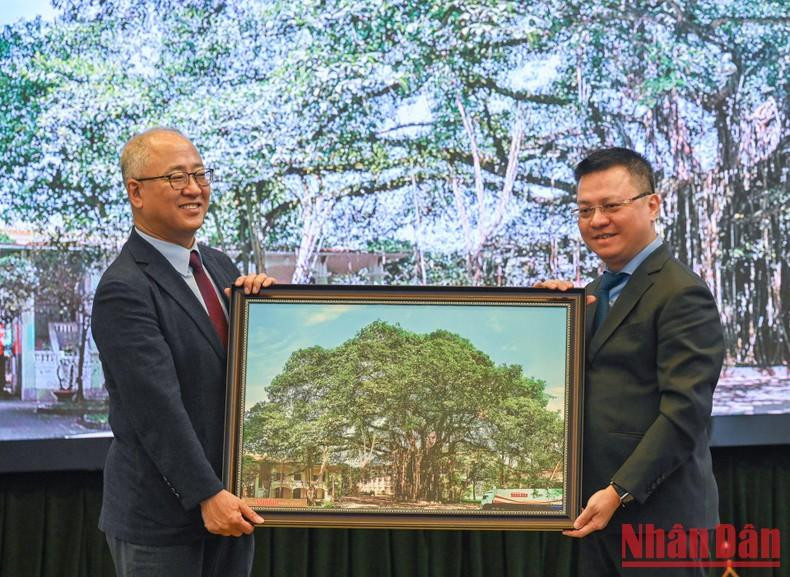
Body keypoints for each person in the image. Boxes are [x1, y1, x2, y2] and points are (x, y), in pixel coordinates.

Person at [91, 127, 273, 577]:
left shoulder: (218, 265)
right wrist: (206, 494)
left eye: (199, 174)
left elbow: (242, 376)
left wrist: (266, 312)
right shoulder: (124, 288)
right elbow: (156, 409)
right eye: (176, 178)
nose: (194, 189)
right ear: (136, 191)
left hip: (231, 508)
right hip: (163, 519)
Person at [537, 147, 724, 576]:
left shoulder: (681, 292)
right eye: (585, 210)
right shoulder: (590, 295)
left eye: (610, 206)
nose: (597, 220)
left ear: (652, 205)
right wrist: (546, 315)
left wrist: (619, 491)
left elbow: (685, 413)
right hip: (596, 518)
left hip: (661, 522)